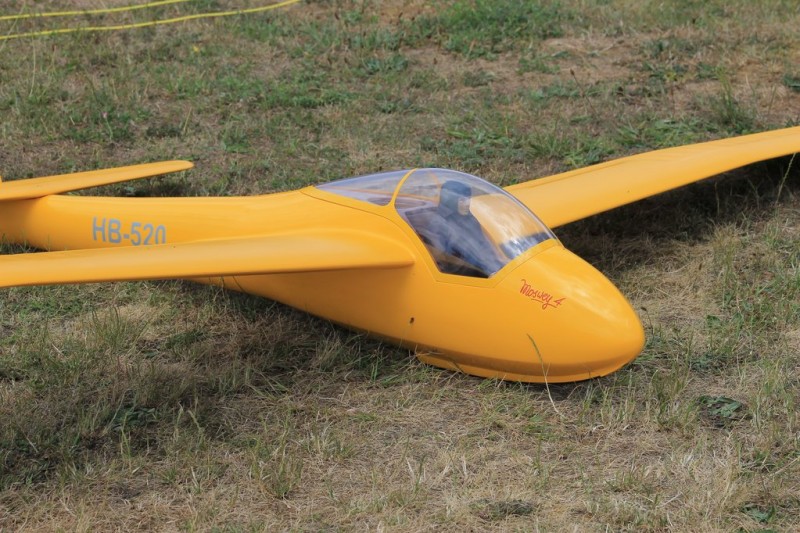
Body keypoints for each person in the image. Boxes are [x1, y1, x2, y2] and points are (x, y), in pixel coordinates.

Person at [421, 180, 505, 277]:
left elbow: (483, 244)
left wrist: (496, 266)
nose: (467, 203)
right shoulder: (438, 224)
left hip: (486, 270)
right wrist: (487, 271)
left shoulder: (467, 217)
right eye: (462, 200)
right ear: (450, 200)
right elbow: (445, 261)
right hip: (463, 276)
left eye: (468, 198)